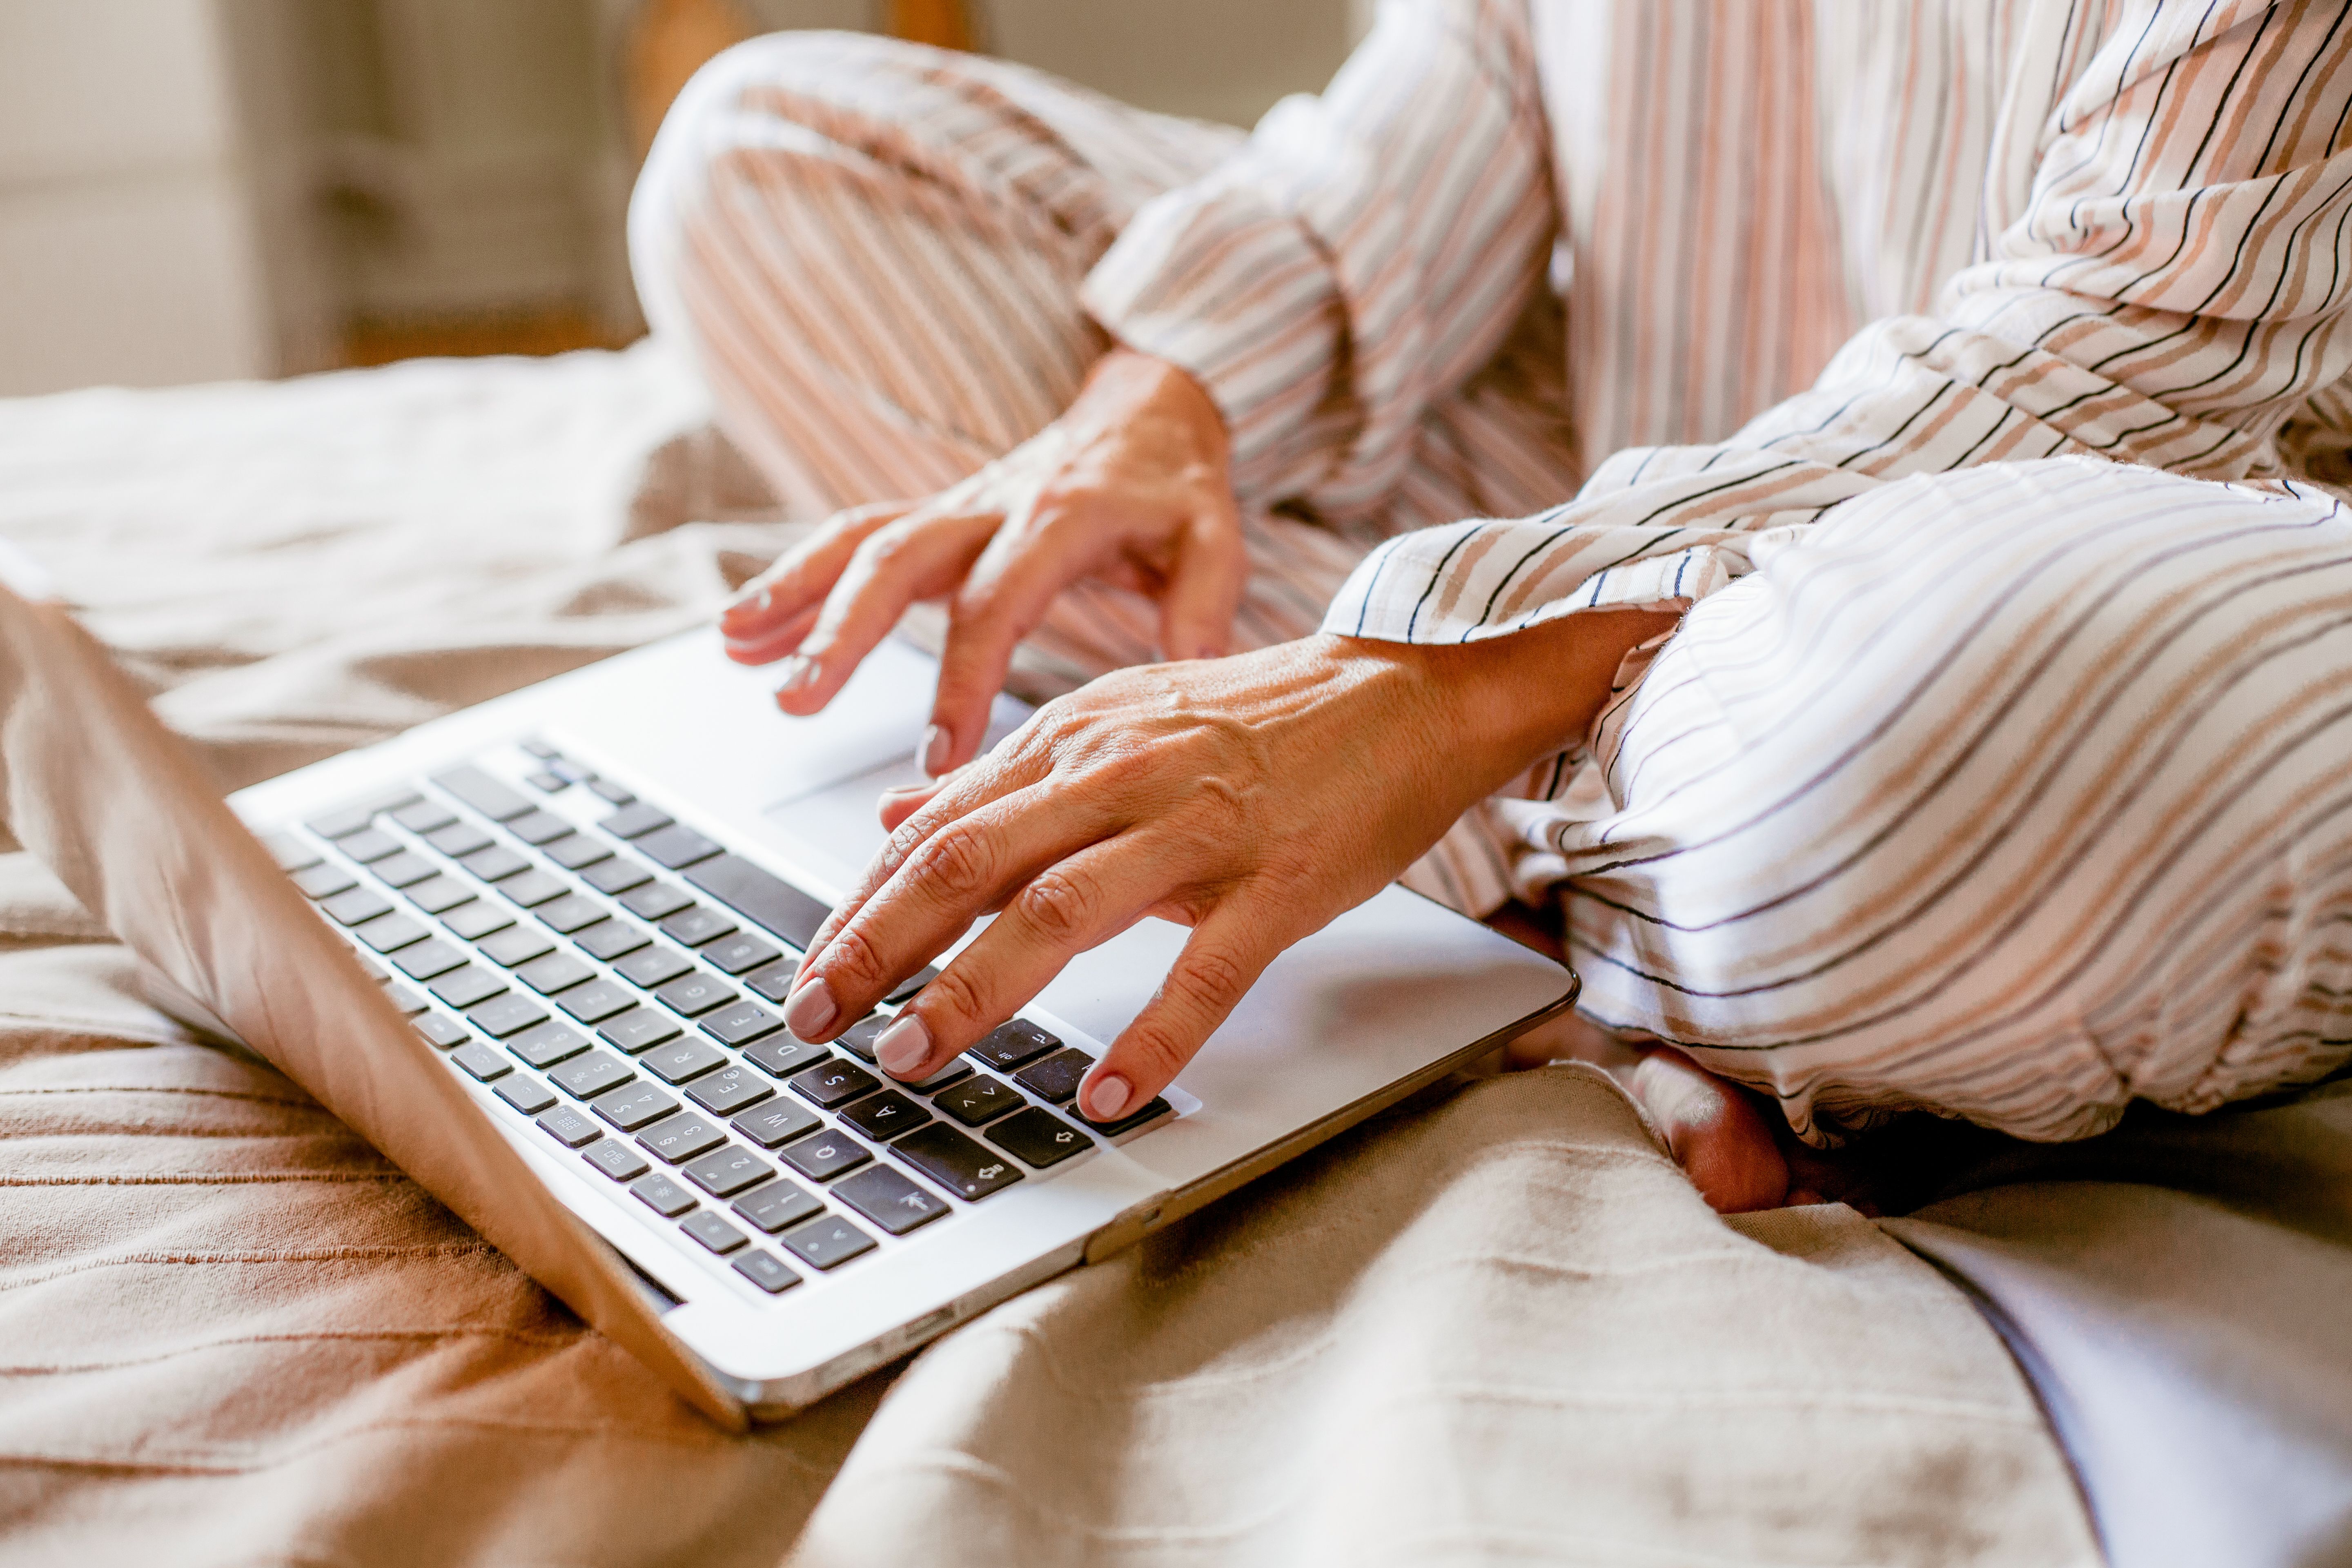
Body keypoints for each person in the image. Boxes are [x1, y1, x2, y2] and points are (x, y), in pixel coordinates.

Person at [630, 0, 2352, 1211]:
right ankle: (1628, 915)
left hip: (2088, 531)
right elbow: (1485, 63)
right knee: (764, 170)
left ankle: (1543, 873)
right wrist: (1170, 401)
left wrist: (1421, 690)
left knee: (1978, 733)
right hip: (1632, 472)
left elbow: (2136, 346)